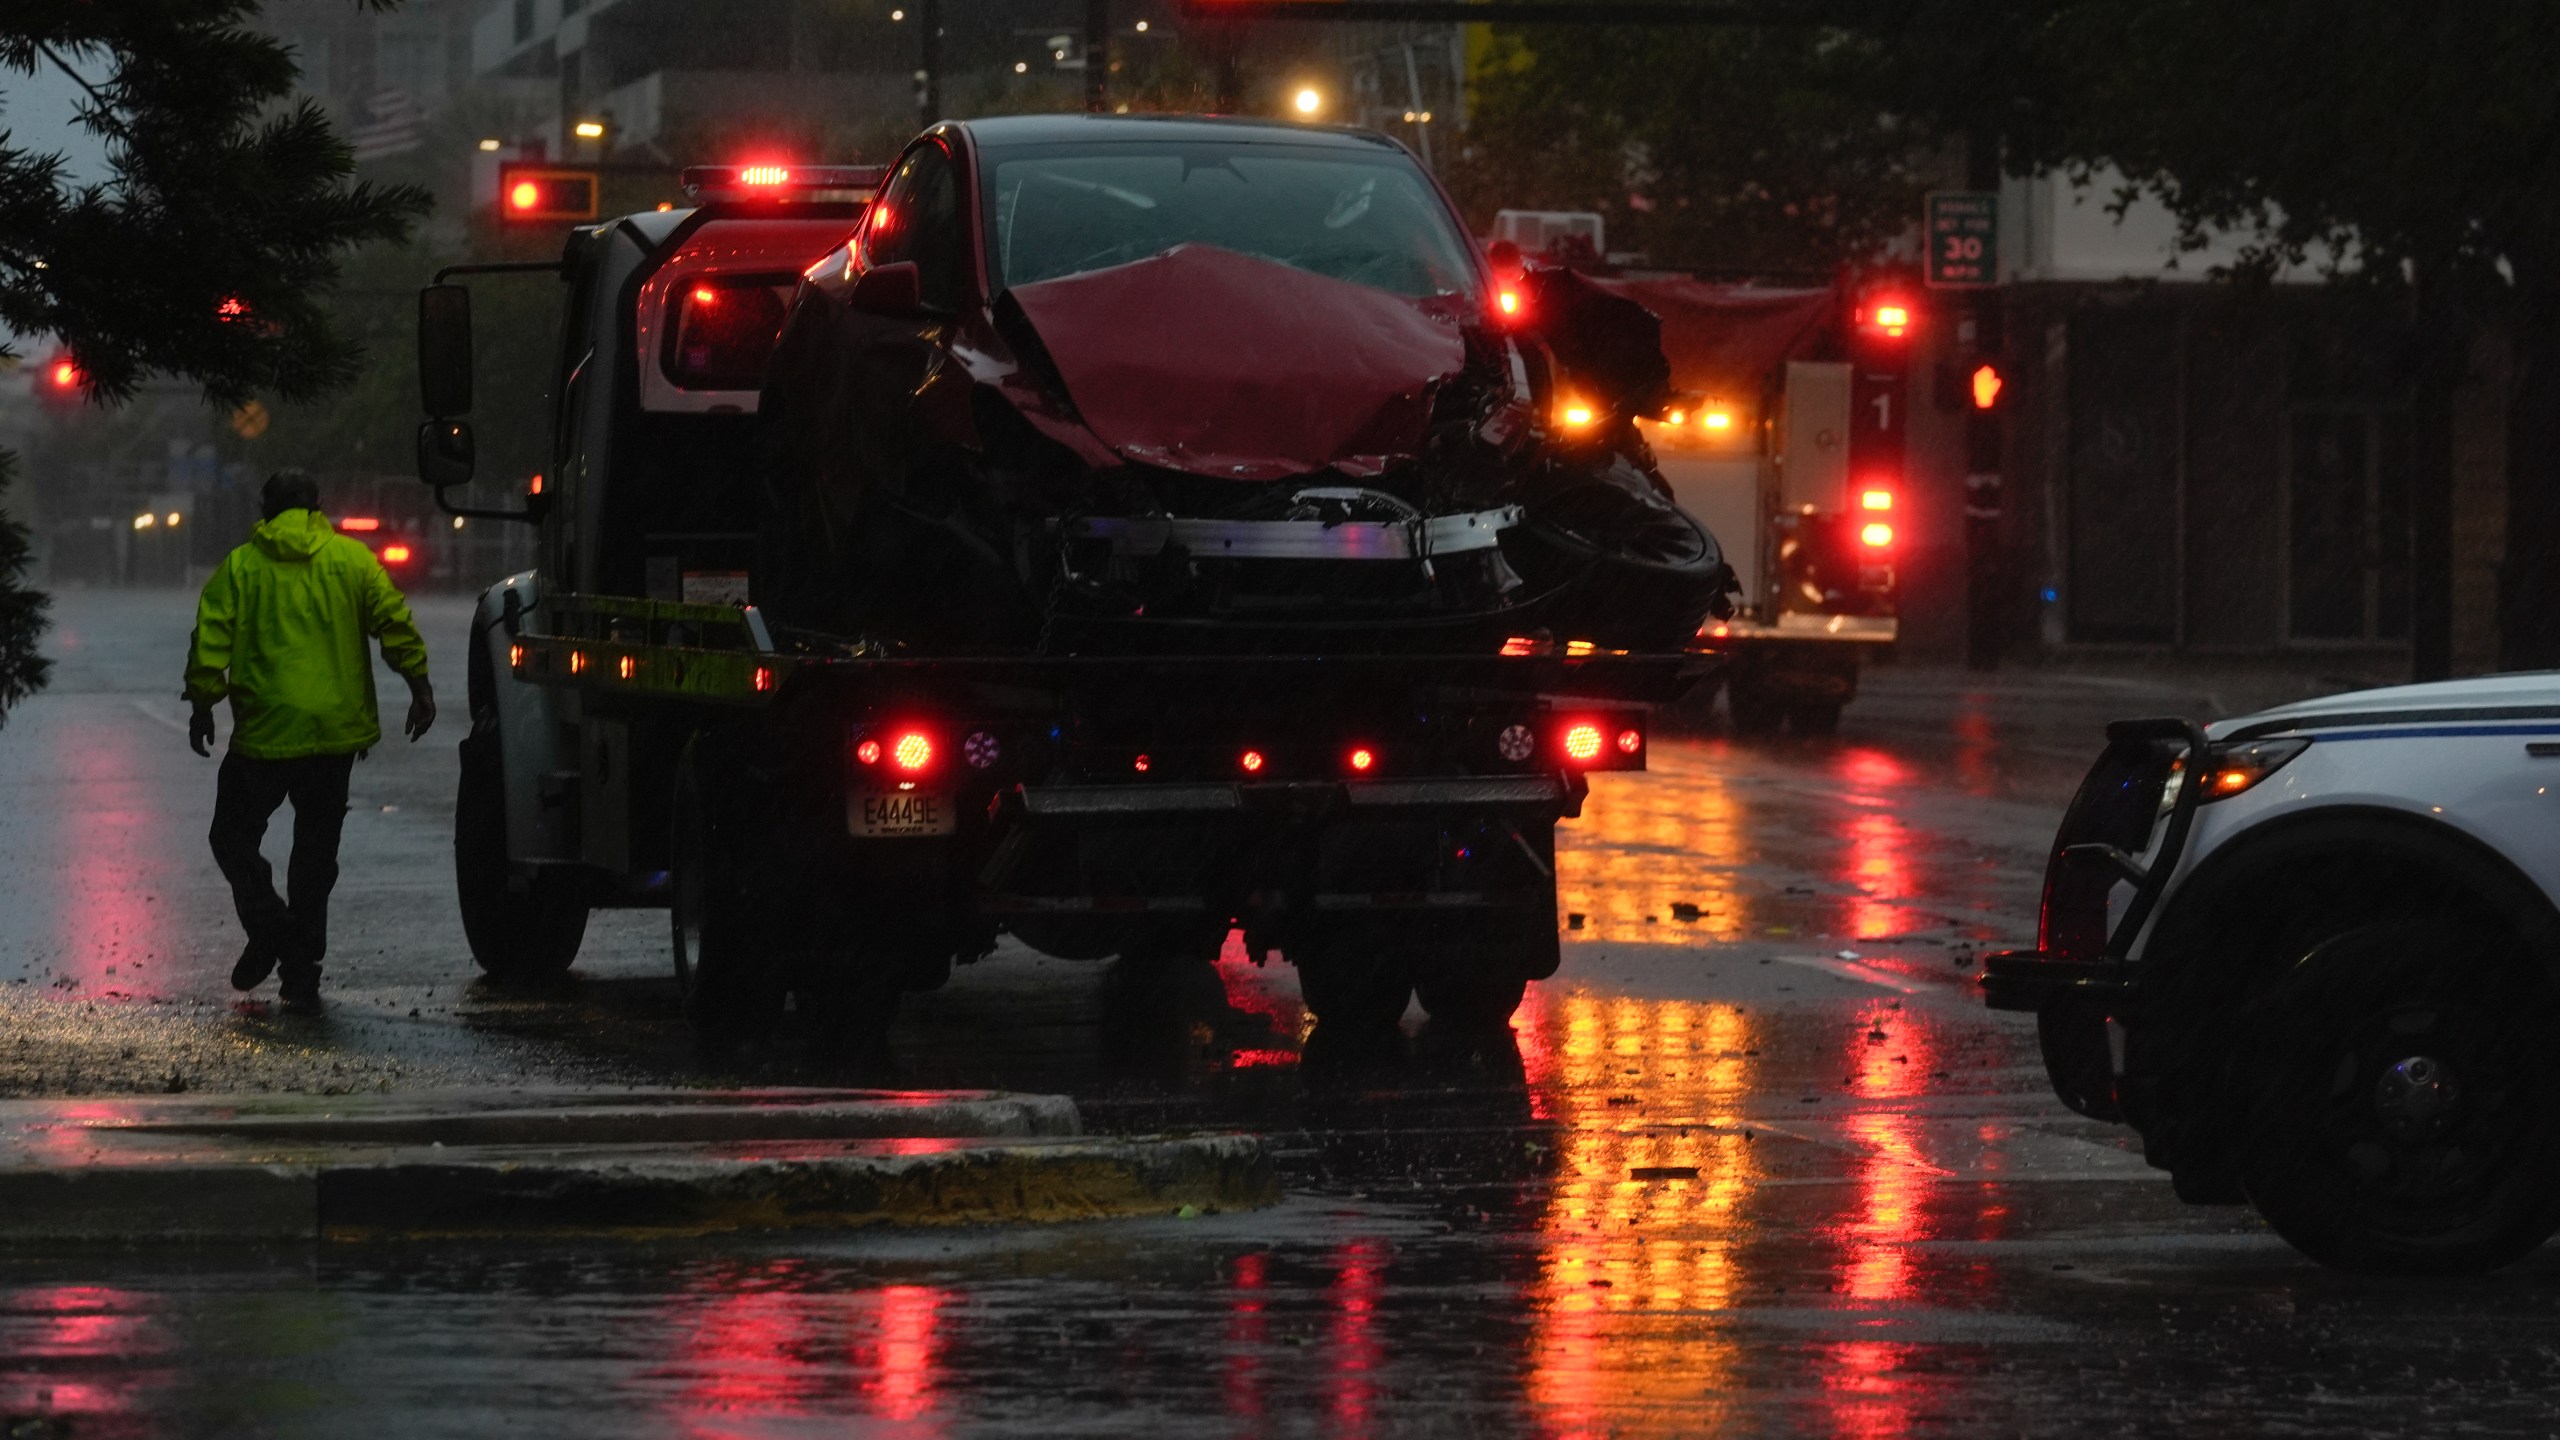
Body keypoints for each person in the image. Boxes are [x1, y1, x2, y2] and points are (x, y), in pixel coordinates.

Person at [182, 471, 434, 1015]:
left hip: (266, 733)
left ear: (265, 510)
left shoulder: (241, 566)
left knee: (231, 836)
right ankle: (301, 967)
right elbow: (394, 622)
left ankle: (271, 924)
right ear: (318, 507)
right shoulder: (352, 561)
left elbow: (210, 640)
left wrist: (203, 703)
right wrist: (419, 686)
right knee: (315, 854)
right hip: (334, 733)